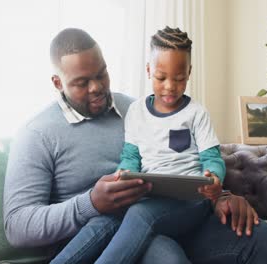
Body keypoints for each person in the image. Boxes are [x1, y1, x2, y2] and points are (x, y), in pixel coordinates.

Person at [3, 27, 267, 264]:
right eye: (81, 82)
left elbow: (183, 159)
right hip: (108, 231)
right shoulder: (36, 134)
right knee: (165, 256)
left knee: (259, 236)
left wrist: (221, 194)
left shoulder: (135, 109)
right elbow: (16, 227)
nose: (97, 87)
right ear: (57, 82)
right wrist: (90, 204)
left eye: (101, 74)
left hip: (172, 214)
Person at [51, 26, 226, 264]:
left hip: (192, 201)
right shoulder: (136, 112)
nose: (170, 87)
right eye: (161, 78)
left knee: (139, 214)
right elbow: (131, 156)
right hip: (151, 197)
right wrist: (123, 172)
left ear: (189, 73)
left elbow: (212, 158)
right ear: (148, 71)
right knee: (105, 220)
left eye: (179, 78)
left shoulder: (196, 113)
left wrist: (214, 178)